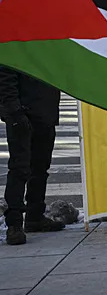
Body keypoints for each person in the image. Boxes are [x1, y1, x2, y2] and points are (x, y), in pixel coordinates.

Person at [0, 67, 65, 245]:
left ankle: (35, 215)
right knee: (20, 168)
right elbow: (5, 76)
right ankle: (14, 223)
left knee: (40, 167)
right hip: (21, 114)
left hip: (45, 111)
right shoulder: (14, 50)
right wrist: (13, 111)